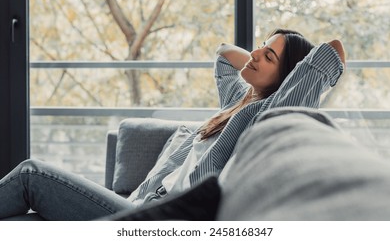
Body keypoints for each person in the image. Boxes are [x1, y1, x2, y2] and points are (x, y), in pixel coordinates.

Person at [0, 28, 345, 220]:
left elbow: (333, 50)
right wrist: (262, 58)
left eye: (268, 56)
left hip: (157, 220)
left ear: (288, 79)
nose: (255, 55)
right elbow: (224, 54)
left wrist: (283, 77)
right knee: (28, 222)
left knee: (33, 175)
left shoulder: (268, 112)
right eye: (259, 47)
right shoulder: (237, 103)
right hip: (138, 204)